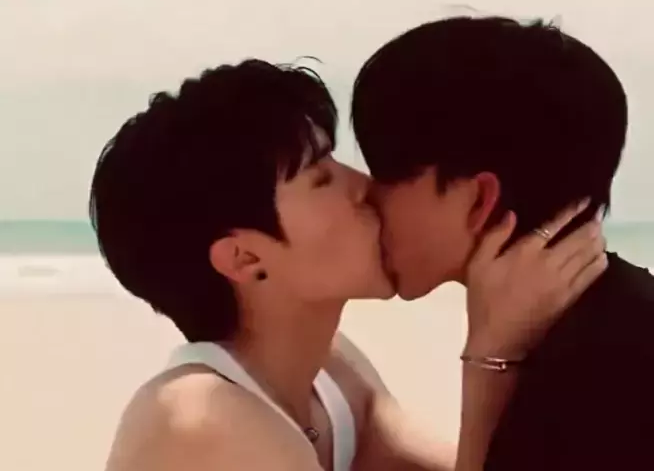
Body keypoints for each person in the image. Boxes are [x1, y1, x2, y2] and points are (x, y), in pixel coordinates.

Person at [93, 59, 604, 471]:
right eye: (321, 178)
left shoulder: (328, 374)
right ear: (245, 258)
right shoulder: (204, 419)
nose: (363, 186)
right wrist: (492, 353)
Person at [351, 15, 654, 470]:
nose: (363, 194)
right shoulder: (617, 319)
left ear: (479, 199)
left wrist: (488, 363)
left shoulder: (586, 385)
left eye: (385, 173)